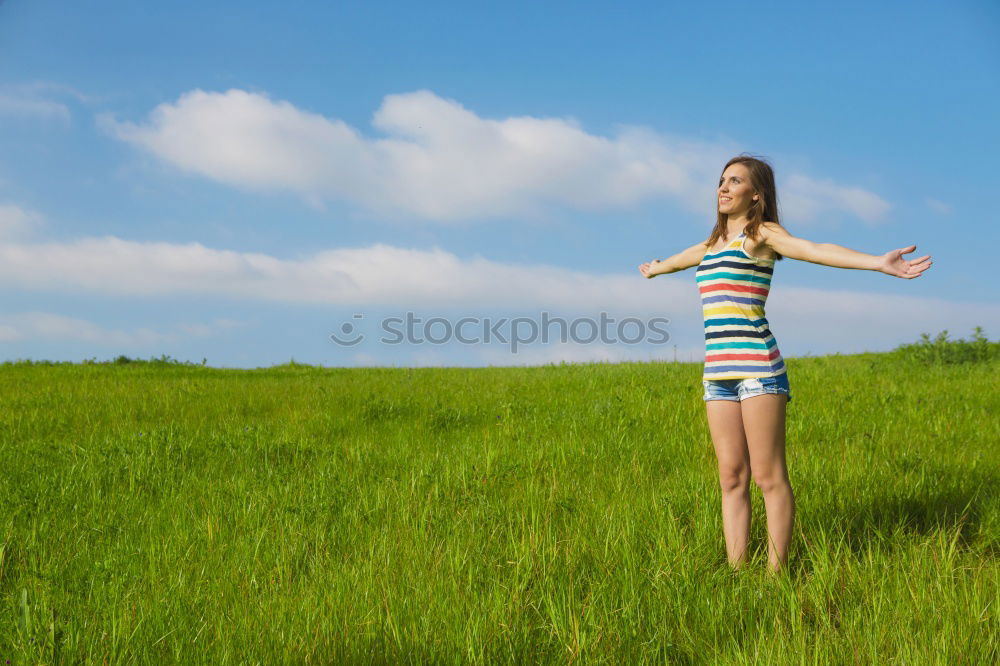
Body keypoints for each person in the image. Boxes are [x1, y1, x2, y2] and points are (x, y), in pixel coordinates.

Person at [637, 154, 932, 575]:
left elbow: (815, 250)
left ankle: (777, 578)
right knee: (730, 477)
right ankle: (738, 575)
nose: (723, 187)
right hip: (718, 374)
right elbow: (682, 258)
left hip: (759, 368)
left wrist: (876, 262)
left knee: (767, 476)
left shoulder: (762, 235)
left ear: (755, 194)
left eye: (734, 181)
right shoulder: (711, 245)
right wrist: (656, 269)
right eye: (721, 180)